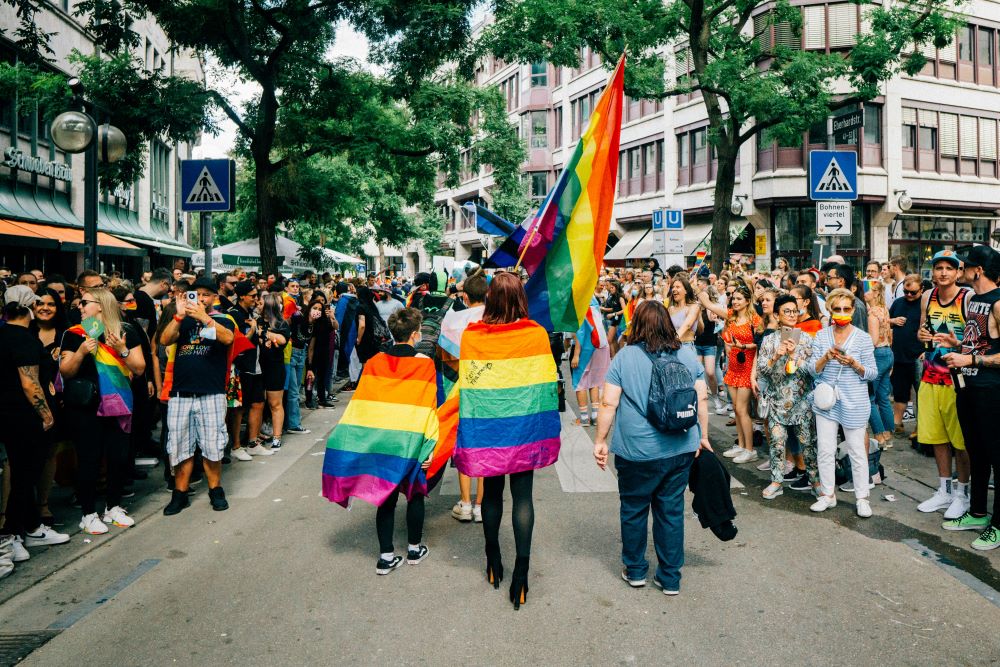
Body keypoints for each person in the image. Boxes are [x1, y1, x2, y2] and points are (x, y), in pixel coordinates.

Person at [452, 272, 561, 610]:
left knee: (494, 493)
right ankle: (522, 573)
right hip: (524, 429)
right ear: (521, 299)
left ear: (490, 299)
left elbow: (468, 382)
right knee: (523, 497)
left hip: (489, 428)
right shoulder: (536, 334)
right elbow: (546, 387)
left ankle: (492, 557)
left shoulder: (473, 336)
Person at [593, 300, 711, 595]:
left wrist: (600, 440)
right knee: (671, 511)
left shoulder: (625, 357)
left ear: (637, 325)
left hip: (637, 450)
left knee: (633, 509)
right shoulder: (686, 354)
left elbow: (609, 402)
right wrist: (702, 437)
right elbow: (702, 399)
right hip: (680, 446)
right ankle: (670, 577)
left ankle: (635, 571)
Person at [321, 307, 438, 574]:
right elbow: (429, 407)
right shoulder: (424, 364)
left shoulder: (374, 363)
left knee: (384, 497)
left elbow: (362, 406)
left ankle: (386, 556)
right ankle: (414, 549)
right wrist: (429, 446)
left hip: (380, 441)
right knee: (415, 494)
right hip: (410, 441)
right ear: (415, 334)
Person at [59, 287, 146, 534]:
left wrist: (122, 350)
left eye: (84, 302)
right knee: (89, 459)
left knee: (118, 457)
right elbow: (66, 372)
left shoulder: (126, 331)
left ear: (100, 305)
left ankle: (113, 507)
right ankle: (88, 513)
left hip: (119, 403)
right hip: (87, 407)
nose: (80, 306)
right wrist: (82, 352)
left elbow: (139, 368)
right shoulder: (75, 334)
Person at [0, 286, 68, 562]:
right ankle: (13, 535)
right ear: (28, 309)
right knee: (24, 475)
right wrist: (46, 414)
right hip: (23, 417)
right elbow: (30, 383)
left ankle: (28, 529)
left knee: (21, 475)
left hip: (7, 415)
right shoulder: (24, 339)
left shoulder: (5, 335)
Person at [158, 277, 236, 515]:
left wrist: (204, 317)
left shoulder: (223, 319)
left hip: (211, 392)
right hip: (181, 392)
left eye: (205, 294)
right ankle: (179, 494)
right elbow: (163, 340)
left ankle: (216, 490)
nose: (200, 298)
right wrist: (180, 316)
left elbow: (228, 338)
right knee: (180, 445)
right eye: (196, 294)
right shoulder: (181, 320)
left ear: (215, 297)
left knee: (213, 445)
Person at [943, 245, 1000, 550]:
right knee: (976, 453)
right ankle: (977, 512)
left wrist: (972, 361)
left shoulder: (998, 303)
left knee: (996, 457)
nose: (960, 270)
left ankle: (998, 526)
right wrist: (958, 344)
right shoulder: (975, 300)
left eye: (964, 267)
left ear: (978, 270)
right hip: (968, 389)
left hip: (992, 392)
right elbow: (981, 342)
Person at [807, 288, 878, 517]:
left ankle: (862, 497)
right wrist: (825, 358)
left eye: (846, 309)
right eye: (837, 309)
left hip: (855, 400)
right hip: (827, 400)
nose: (841, 313)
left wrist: (855, 364)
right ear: (829, 309)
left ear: (853, 309)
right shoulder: (821, 336)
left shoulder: (863, 338)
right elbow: (811, 371)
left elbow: (873, 373)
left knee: (857, 450)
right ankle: (827, 494)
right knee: (825, 449)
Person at [915, 251, 972, 520]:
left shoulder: (968, 298)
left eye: (950, 268)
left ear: (959, 272)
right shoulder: (928, 296)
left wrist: (956, 345)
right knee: (936, 437)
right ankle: (944, 490)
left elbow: (978, 344)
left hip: (957, 380)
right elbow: (921, 332)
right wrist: (922, 336)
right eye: (939, 267)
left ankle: (963, 493)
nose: (943, 272)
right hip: (930, 375)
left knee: (960, 441)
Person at [755, 295, 818, 499]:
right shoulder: (770, 340)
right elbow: (762, 370)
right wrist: (776, 356)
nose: (792, 315)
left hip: (801, 401)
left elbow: (811, 371)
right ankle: (776, 481)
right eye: (787, 311)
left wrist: (793, 357)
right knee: (777, 442)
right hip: (776, 401)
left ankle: (815, 480)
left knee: (807, 443)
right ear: (777, 315)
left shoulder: (807, 339)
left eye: (794, 311)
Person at [438, 270, 487, 523]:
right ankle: (481, 505)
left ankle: (466, 502)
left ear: (465, 296)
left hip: (461, 389)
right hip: (489, 390)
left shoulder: (452, 321)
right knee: (486, 445)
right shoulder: (495, 320)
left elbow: (445, 360)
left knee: (464, 445)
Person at [699, 284, 761, 464]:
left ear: (748, 301)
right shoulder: (731, 315)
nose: (735, 301)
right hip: (733, 366)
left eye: (739, 298)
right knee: (735, 408)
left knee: (743, 410)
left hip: (747, 367)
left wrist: (743, 346)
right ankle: (741, 445)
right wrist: (699, 287)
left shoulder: (755, 320)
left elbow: (761, 344)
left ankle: (750, 450)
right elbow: (708, 304)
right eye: (733, 298)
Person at [226, 281, 271, 460]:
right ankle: (236, 446)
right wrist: (252, 331)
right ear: (242, 296)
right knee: (239, 408)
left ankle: (253, 442)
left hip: (256, 364)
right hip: (242, 367)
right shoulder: (233, 315)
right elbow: (235, 342)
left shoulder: (252, 313)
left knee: (259, 403)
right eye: (252, 296)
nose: (255, 299)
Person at [252, 293, 290, 449]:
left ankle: (277, 436)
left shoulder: (282, 323)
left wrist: (263, 333)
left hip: (275, 367)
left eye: (260, 303)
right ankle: (256, 436)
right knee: (258, 404)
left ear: (268, 305)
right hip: (258, 368)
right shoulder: (257, 321)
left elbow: (282, 340)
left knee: (275, 403)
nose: (258, 306)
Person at [889, 274, 923, 436]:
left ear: (921, 290)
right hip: (899, 354)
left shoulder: (926, 305)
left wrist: (926, 351)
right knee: (899, 391)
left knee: (921, 394)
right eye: (906, 292)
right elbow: (886, 321)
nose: (909, 295)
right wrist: (893, 321)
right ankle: (897, 423)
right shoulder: (898, 302)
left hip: (918, 355)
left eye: (913, 292)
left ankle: (921, 426)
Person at [570, 290, 611, 426]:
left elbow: (579, 333)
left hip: (586, 348)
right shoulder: (593, 302)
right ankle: (594, 416)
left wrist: (576, 355)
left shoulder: (578, 303)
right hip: (602, 346)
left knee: (579, 381)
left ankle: (583, 418)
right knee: (595, 380)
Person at [865, 279, 894, 447]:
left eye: (868, 291)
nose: (865, 294)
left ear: (876, 293)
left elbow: (873, 341)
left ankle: (879, 435)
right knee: (883, 397)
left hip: (877, 355)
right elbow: (889, 334)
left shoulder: (873, 314)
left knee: (870, 398)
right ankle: (888, 433)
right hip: (888, 352)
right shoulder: (884, 309)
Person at [284, 294, 311, 435]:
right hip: (293, 352)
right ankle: (293, 423)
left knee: (296, 388)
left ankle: (292, 421)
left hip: (301, 352)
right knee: (293, 390)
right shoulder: (293, 315)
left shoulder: (303, 315)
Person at [305, 297, 337, 409]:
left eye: (320, 308)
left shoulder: (324, 321)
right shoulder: (307, 322)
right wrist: (309, 362)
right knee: (310, 378)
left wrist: (332, 317)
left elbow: (335, 327)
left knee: (322, 377)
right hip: (312, 354)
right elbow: (311, 346)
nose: (317, 310)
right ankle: (308, 399)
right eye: (315, 308)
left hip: (324, 352)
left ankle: (322, 399)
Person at [825, 264, 868, 331]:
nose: (826, 282)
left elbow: (859, 336)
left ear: (841, 281)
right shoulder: (834, 301)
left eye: (829, 278)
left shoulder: (856, 305)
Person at [667, 277, 701, 348]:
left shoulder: (694, 307)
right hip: (672, 347)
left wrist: (673, 341)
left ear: (686, 291)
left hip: (686, 346)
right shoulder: (670, 309)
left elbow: (687, 325)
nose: (674, 289)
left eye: (678, 287)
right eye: (673, 287)